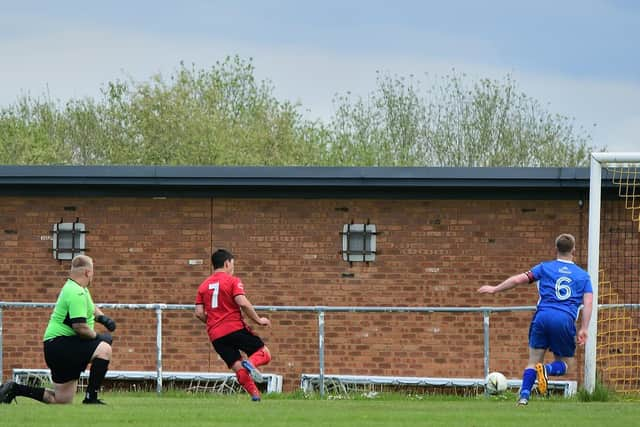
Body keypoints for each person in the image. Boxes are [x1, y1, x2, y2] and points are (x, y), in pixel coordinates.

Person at [477, 233, 593, 406]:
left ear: (556, 249)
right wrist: (584, 327)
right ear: (573, 250)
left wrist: (495, 289)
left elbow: (518, 280)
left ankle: (524, 397)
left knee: (533, 361)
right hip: (564, 319)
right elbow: (588, 301)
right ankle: (546, 370)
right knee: (566, 364)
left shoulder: (544, 268)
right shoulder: (583, 276)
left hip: (542, 317)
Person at [0, 254, 116, 405]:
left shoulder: (78, 289)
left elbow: (91, 306)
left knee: (61, 400)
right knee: (104, 349)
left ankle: (15, 389)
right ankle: (91, 398)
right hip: (61, 345)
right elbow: (80, 327)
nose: (93, 275)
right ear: (88, 272)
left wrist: (102, 318)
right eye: (93, 272)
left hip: (55, 347)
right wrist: (97, 337)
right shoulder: (76, 292)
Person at [195, 249, 272, 401]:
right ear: (226, 263)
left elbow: (198, 312)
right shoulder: (232, 281)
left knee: (238, 368)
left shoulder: (203, 286)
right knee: (265, 353)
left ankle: (255, 396)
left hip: (216, 336)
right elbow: (242, 302)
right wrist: (258, 320)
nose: (232, 268)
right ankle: (250, 364)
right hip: (234, 328)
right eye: (232, 264)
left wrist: (212, 322)